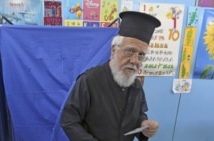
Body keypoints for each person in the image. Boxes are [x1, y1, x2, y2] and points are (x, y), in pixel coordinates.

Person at [60, 11, 161, 141]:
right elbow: (68, 121)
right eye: (130, 51)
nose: (135, 60)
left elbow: (138, 116)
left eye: (141, 55)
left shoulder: (135, 85)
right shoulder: (89, 80)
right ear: (114, 50)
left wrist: (144, 125)